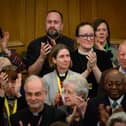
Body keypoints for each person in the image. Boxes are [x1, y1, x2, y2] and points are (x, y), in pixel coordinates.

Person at [24, 10, 74, 76]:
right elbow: (31, 73)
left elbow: (73, 71)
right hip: (41, 84)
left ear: (61, 26)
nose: (52, 25)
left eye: (55, 22)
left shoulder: (70, 43)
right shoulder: (34, 44)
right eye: (49, 22)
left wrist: (58, 53)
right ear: (45, 24)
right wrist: (42, 57)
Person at [71, 22, 113, 98]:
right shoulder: (70, 57)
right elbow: (71, 86)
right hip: (77, 99)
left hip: (99, 100)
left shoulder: (104, 55)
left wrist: (94, 67)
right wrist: (88, 70)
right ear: (77, 39)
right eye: (84, 35)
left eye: (91, 35)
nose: (89, 38)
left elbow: (107, 84)